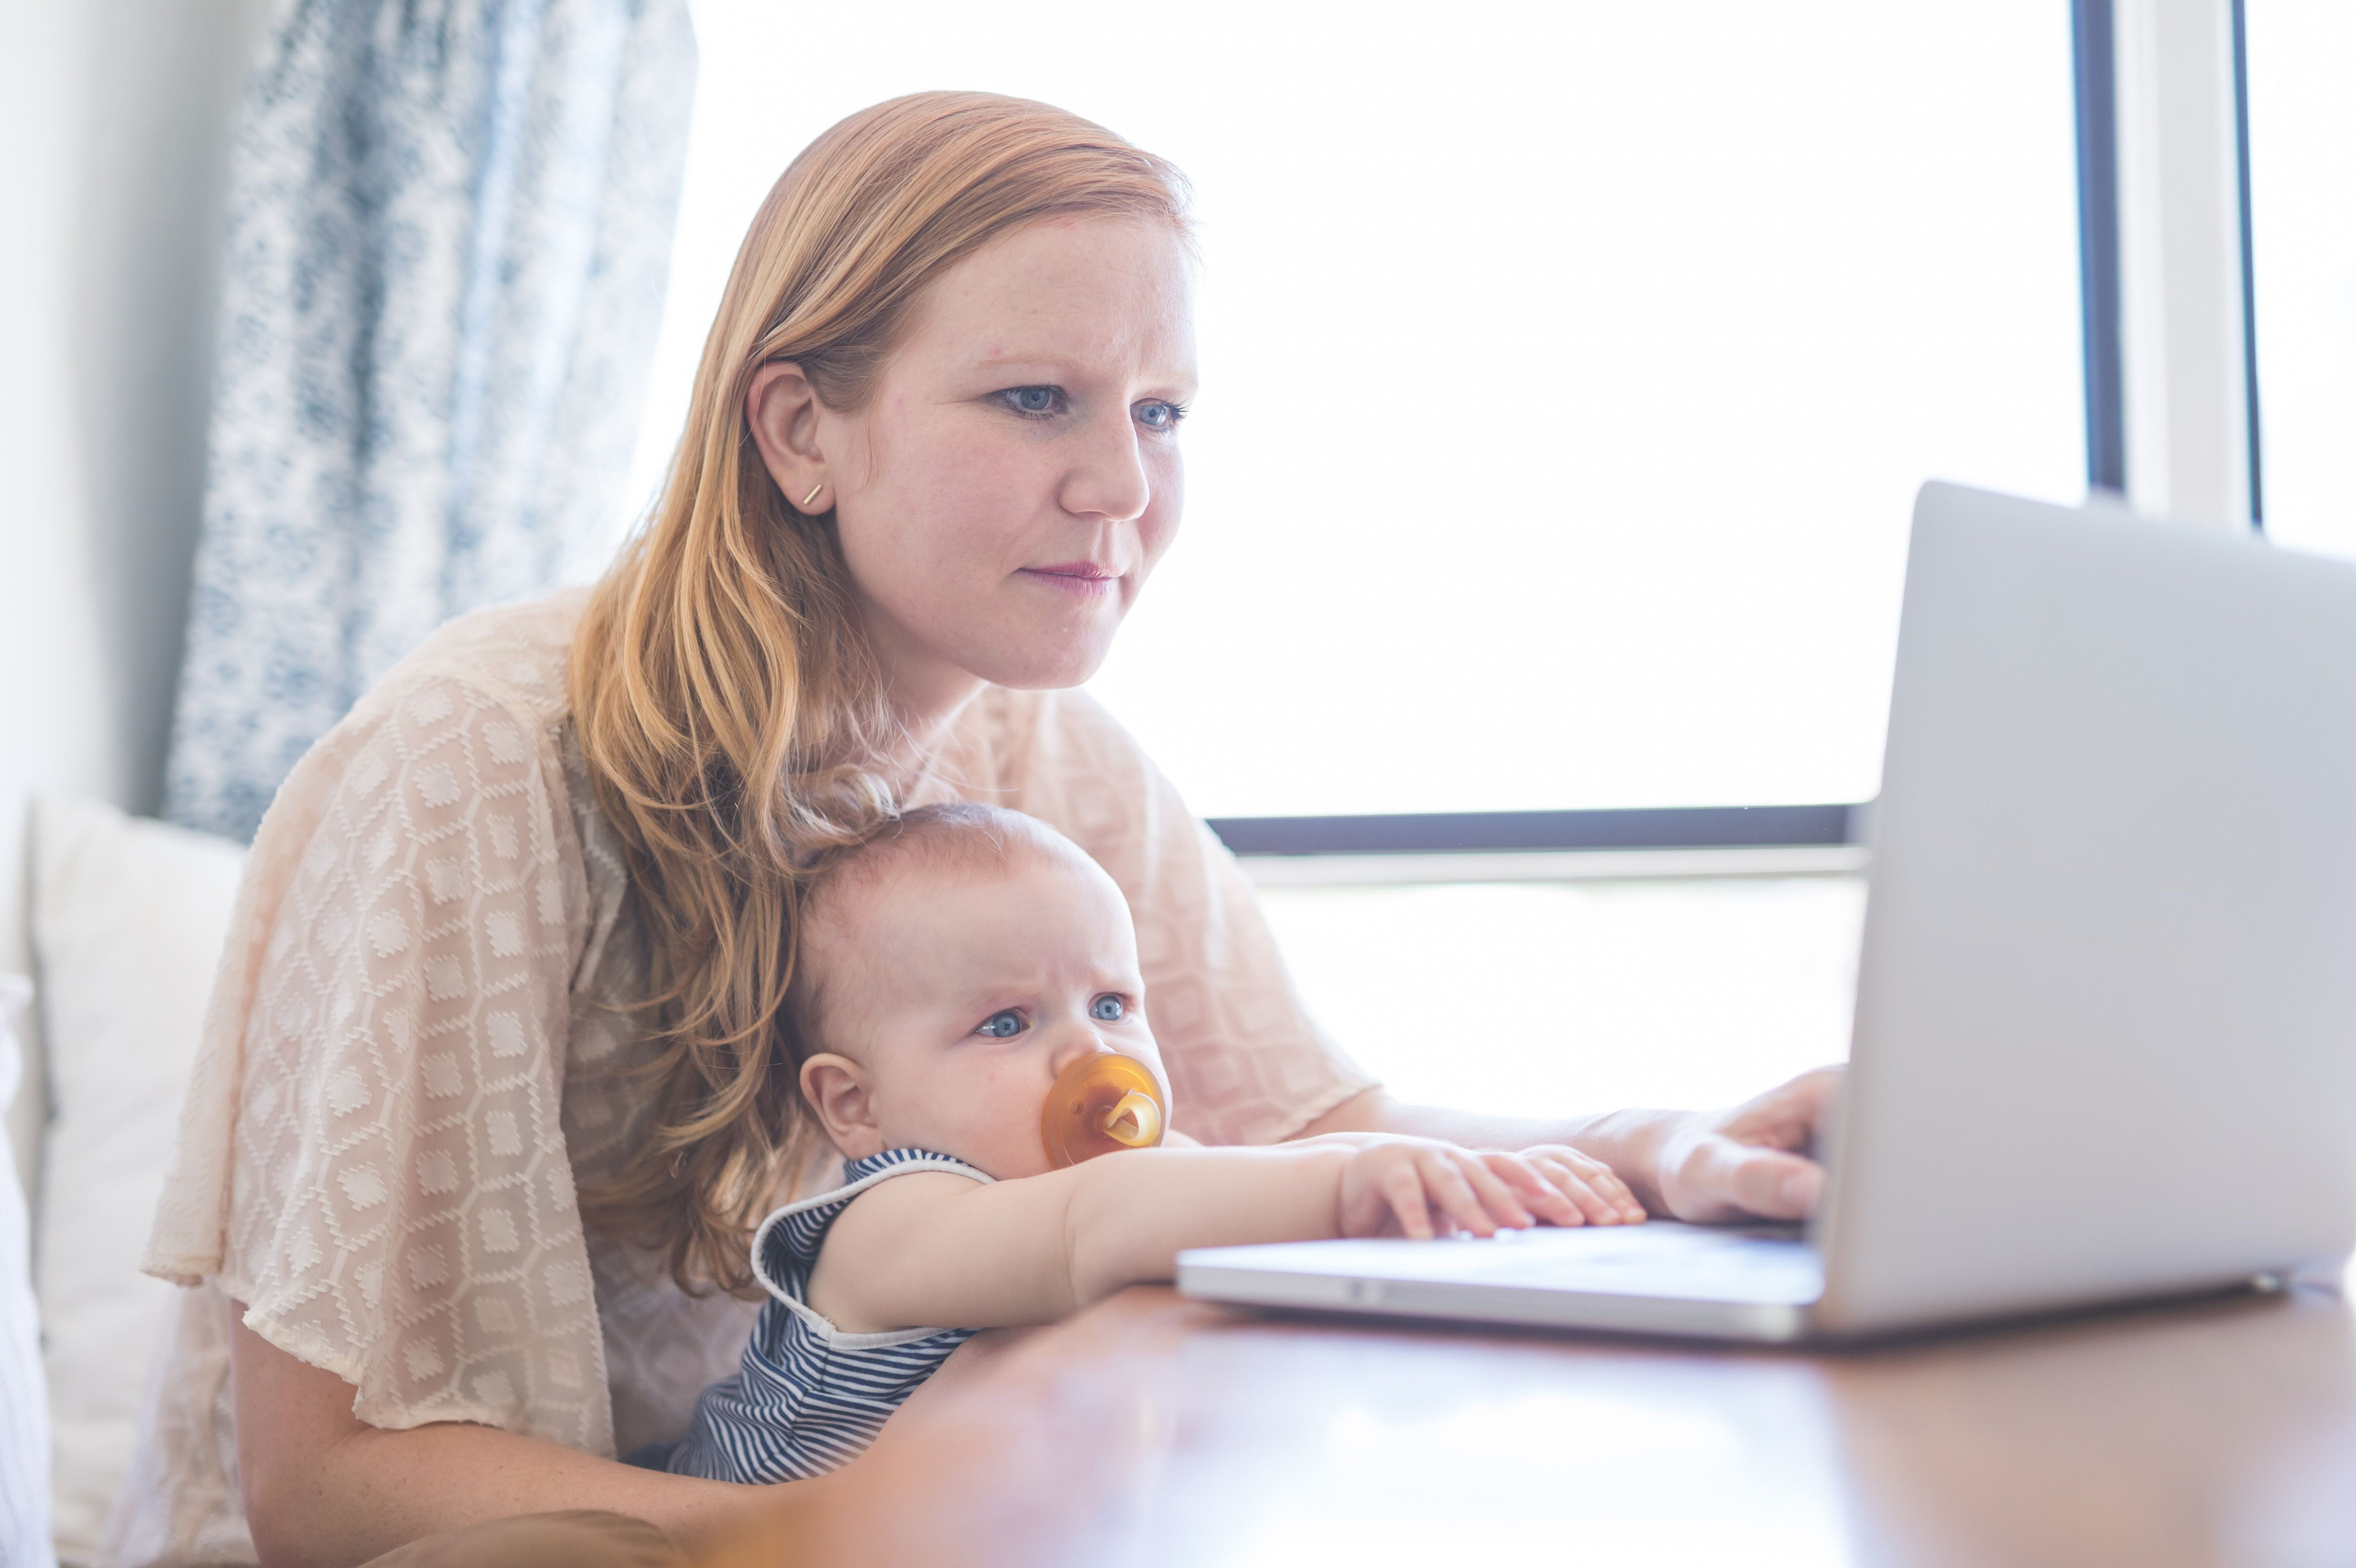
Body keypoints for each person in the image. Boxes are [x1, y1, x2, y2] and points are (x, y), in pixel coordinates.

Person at [112, 91, 1836, 1568]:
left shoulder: (1027, 736)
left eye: (1157, 412)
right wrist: (889, 1514)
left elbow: (1326, 1123)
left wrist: (1652, 1148)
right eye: (1035, 402)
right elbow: (325, 1490)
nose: (1120, 491)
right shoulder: (480, 755)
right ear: (799, 430)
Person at [642, 801, 1645, 1483]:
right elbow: (1093, 1229)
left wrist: (1438, 1180)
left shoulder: (1123, 1177)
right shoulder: (886, 1223)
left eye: (1112, 1001)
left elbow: (1208, 1189)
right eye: (1007, 1021)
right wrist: (1353, 1181)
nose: (1091, 1046)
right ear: (854, 1104)